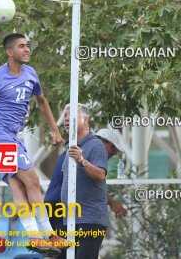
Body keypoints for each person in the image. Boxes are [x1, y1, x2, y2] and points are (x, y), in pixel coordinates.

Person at [0, 33, 66, 256]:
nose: (27, 49)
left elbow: (41, 101)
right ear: (9, 52)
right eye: (22, 46)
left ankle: (34, 237)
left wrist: (54, 128)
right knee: (32, 180)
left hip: (14, 137)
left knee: (19, 187)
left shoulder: (31, 73)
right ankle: (48, 235)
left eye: (27, 46)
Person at [61, 104, 108, 259]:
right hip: (70, 219)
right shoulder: (70, 148)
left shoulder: (96, 145)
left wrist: (81, 160)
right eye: (65, 116)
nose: (66, 119)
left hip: (90, 219)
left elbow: (101, 175)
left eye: (70, 115)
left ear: (85, 119)